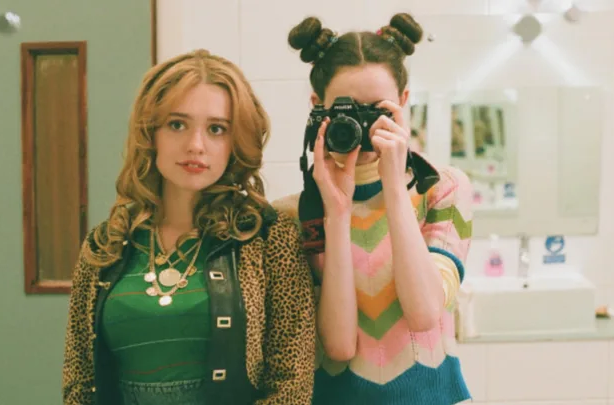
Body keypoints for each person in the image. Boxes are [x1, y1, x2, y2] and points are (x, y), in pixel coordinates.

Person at [62, 49, 316, 405]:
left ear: (235, 141)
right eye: (177, 124)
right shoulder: (106, 244)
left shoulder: (269, 238)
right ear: (151, 133)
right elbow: (78, 381)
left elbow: (292, 384)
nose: (196, 145)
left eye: (216, 129)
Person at [273, 13, 474, 405]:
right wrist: (338, 213)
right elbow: (340, 346)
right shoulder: (296, 213)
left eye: (376, 111)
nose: (363, 128)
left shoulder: (443, 189)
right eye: (347, 110)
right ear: (318, 107)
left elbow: (423, 314)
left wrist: (396, 189)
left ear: (403, 101)